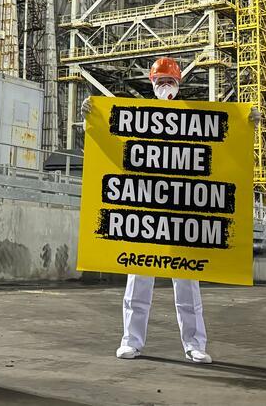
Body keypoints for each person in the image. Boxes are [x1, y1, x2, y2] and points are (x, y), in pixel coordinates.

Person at [80, 57, 212, 364]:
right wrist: (92, 120)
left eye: (170, 81)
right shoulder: (137, 118)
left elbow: (223, 150)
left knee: (187, 285)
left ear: (179, 85)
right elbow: (113, 147)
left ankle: (195, 344)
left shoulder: (197, 119)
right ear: (151, 85)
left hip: (181, 211)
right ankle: (131, 340)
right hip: (145, 209)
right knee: (138, 279)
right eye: (160, 82)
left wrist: (248, 124)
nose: (165, 87)